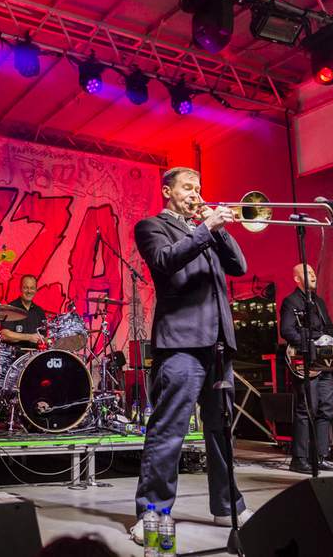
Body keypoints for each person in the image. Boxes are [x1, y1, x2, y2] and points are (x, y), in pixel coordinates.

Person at [129, 166, 251, 544]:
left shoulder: (208, 230)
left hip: (217, 344)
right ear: (168, 191)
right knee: (169, 431)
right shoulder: (151, 226)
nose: (195, 193)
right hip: (180, 343)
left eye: (198, 187)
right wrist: (206, 228)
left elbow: (240, 267)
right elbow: (166, 262)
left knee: (220, 432)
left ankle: (228, 506)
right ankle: (151, 511)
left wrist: (219, 227)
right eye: (187, 187)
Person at [280, 264, 333, 474]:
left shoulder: (318, 302)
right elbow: (287, 331)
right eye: (308, 273)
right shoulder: (291, 302)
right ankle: (299, 459)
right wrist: (311, 345)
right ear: (297, 279)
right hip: (306, 359)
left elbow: (328, 329)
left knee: (327, 407)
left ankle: (319, 456)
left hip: (324, 362)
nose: (314, 275)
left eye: (314, 272)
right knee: (306, 408)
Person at [0, 274, 47, 350]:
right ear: (20, 288)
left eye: (32, 288)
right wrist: (29, 337)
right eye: (26, 288)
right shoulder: (11, 308)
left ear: (36, 290)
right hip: (15, 356)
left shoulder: (39, 311)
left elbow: (44, 337)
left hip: (35, 357)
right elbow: (4, 334)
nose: (29, 291)